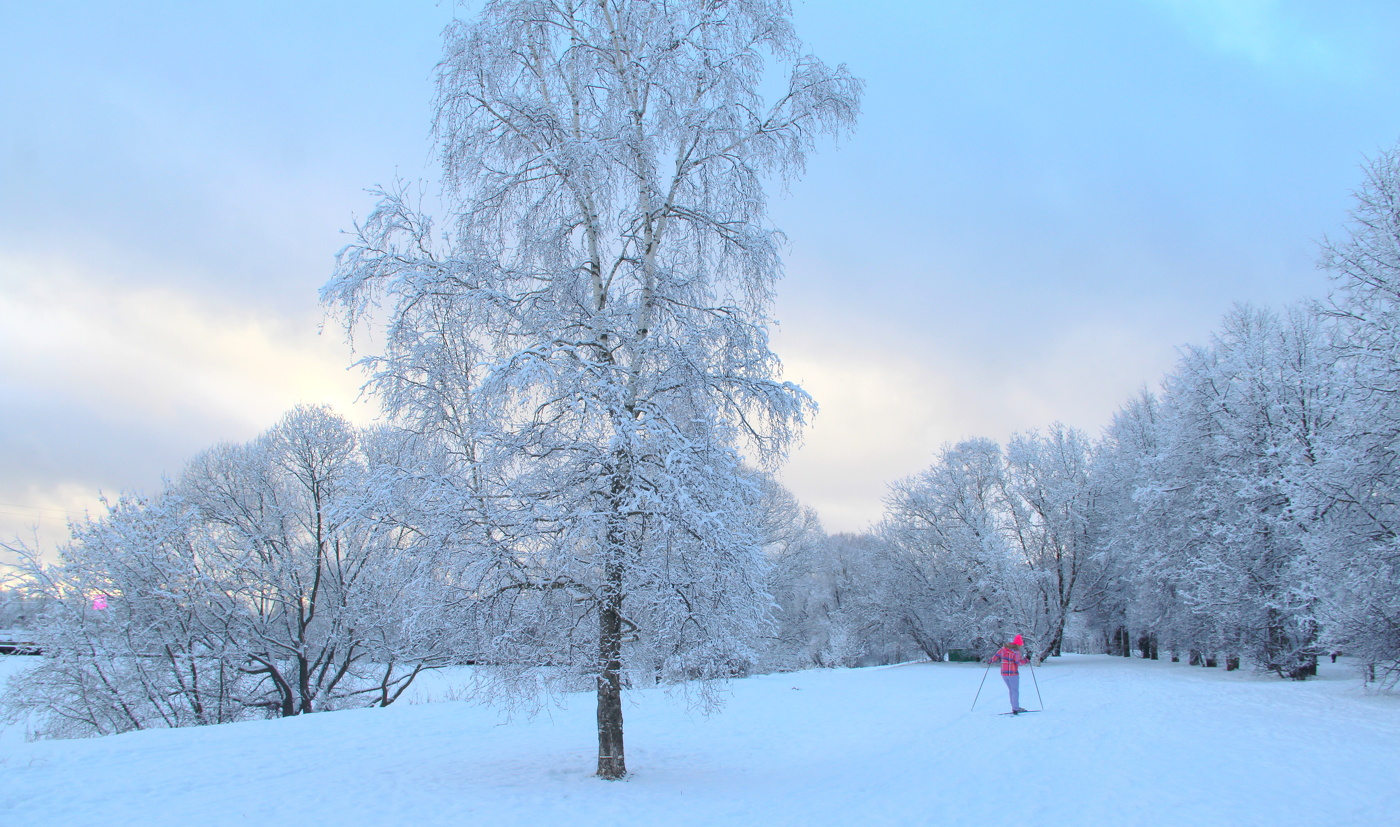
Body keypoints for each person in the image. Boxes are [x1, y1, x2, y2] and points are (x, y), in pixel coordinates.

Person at [988, 635, 1031, 713]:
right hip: (1013, 674)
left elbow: (996, 656)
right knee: (1015, 691)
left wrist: (991, 660)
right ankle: (1016, 708)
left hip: (1004, 673)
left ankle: (1014, 706)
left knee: (1011, 690)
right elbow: (1018, 663)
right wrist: (1026, 660)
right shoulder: (1016, 652)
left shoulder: (1003, 649)